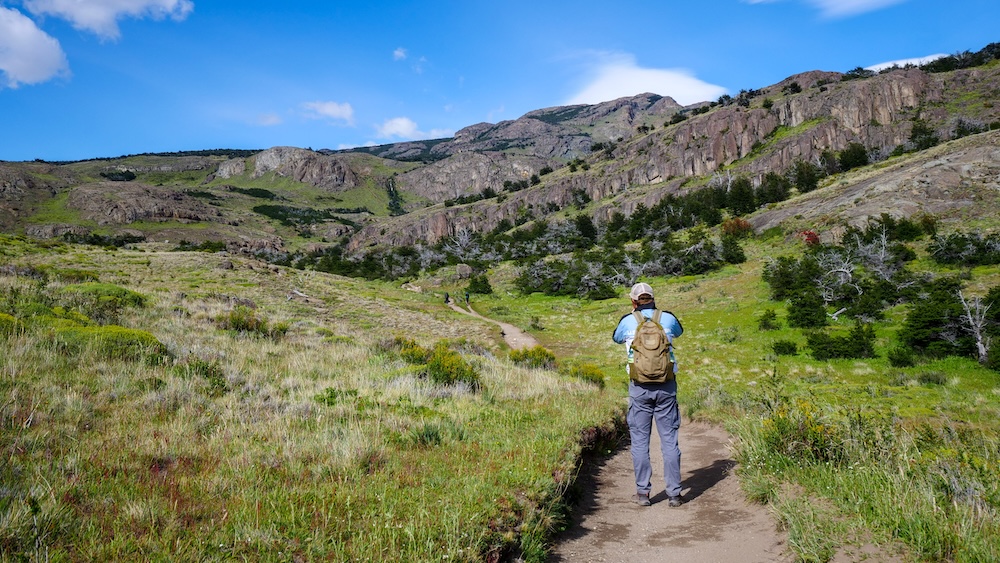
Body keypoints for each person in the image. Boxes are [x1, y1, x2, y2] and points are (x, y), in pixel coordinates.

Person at [612, 282, 684, 507]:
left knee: (641, 441)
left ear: (634, 301)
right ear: (653, 298)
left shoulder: (627, 321)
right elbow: (679, 332)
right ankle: (674, 494)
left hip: (639, 388)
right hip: (666, 386)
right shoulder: (668, 318)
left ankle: (643, 493)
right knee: (669, 440)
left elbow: (616, 338)